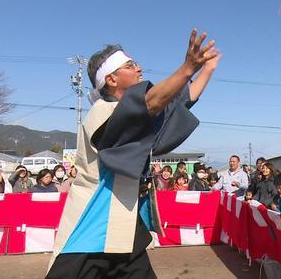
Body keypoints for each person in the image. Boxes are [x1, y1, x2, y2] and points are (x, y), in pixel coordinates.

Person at [47, 29, 220, 279]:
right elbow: (150, 103)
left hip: (124, 229)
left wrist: (208, 68)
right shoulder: (102, 112)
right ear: (111, 79)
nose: (139, 68)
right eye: (131, 65)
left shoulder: (135, 119)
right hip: (90, 229)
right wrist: (187, 68)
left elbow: (179, 101)